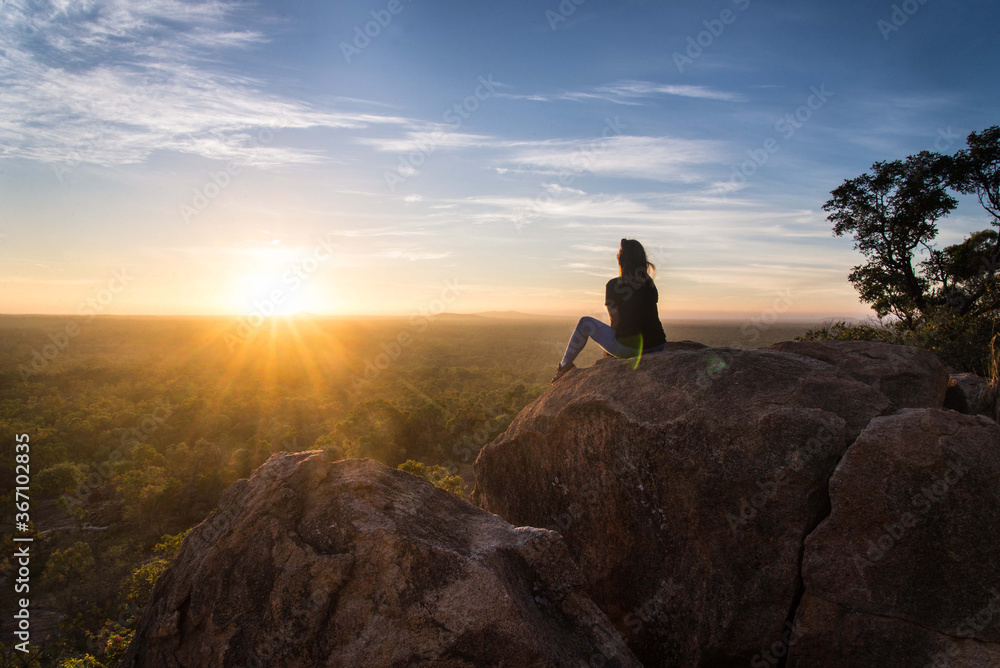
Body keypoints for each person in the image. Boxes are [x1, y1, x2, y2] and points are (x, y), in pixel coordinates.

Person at [552, 238, 667, 383]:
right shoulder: (650, 285)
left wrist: (610, 348)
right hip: (658, 344)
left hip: (630, 349)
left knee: (585, 322)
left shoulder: (614, 286)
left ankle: (564, 366)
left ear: (621, 261)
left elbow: (615, 321)